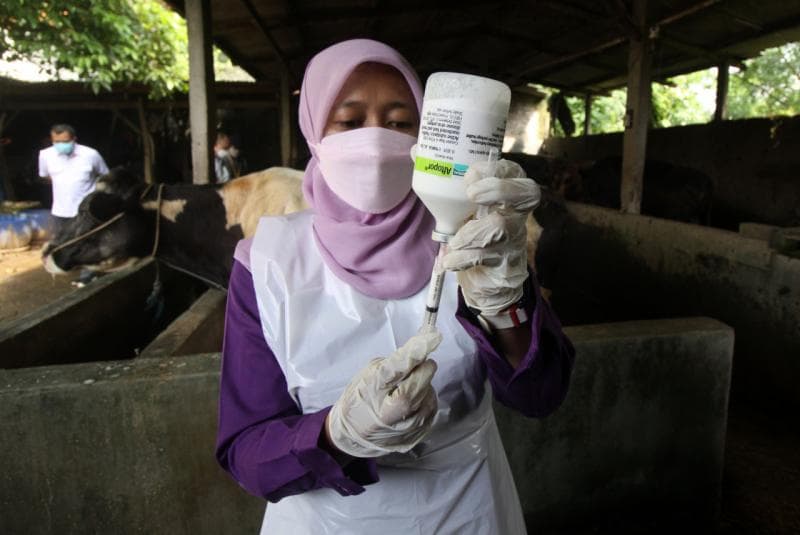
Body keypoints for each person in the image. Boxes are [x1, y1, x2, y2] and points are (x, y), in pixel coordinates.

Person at [216, 39, 575, 534]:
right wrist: (336, 435)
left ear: (427, 133)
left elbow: (541, 395)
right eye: (349, 120)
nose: (376, 139)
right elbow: (246, 451)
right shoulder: (267, 262)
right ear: (315, 133)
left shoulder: (479, 236)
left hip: (466, 510)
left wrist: (506, 303)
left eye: (400, 121)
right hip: (327, 521)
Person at [38, 123, 109, 286]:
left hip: (86, 210)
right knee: (63, 241)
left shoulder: (91, 154)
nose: (61, 145)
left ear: (74, 140)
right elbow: (45, 176)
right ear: (52, 141)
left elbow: (105, 175)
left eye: (65, 141)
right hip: (60, 210)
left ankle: (89, 274)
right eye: (56, 142)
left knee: (89, 242)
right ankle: (71, 268)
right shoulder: (45, 155)